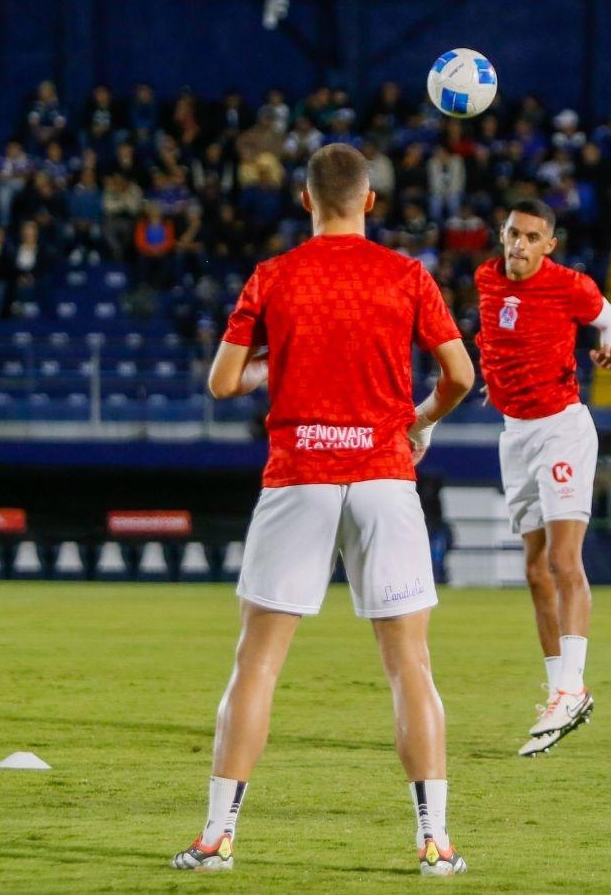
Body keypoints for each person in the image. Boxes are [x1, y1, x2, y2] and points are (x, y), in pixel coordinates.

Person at [171, 144, 475, 877]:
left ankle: (216, 839)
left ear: (305, 201)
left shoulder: (273, 277)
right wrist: (420, 421)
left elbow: (220, 384)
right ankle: (435, 844)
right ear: (370, 201)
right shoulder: (407, 275)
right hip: (383, 476)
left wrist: (282, 357)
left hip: (297, 477)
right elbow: (461, 374)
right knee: (410, 667)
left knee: (258, 665)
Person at [474, 199, 611, 757]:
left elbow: (610, 319)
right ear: (502, 232)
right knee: (536, 570)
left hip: (561, 429)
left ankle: (570, 687)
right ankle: (562, 691)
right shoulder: (485, 280)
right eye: (513, 232)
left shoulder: (570, 285)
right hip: (515, 435)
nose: (519, 244)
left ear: (549, 245)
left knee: (564, 561)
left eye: (531, 236)